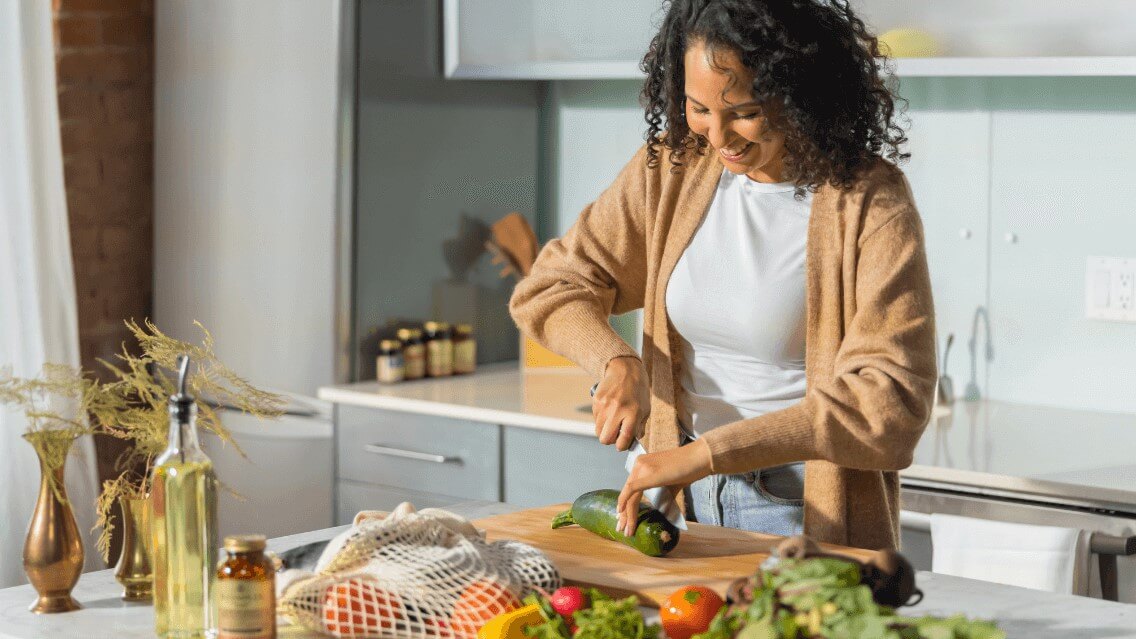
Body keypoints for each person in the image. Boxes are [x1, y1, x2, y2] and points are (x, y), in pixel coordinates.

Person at [509, 0, 937, 551]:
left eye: (745, 111)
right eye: (698, 108)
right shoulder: (672, 170)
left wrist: (706, 454)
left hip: (802, 507)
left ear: (800, 92)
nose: (719, 136)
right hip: (676, 500)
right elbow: (552, 284)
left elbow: (889, 403)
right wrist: (614, 361)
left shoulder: (867, 201)